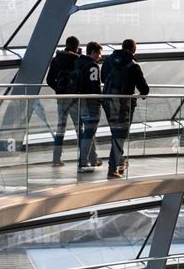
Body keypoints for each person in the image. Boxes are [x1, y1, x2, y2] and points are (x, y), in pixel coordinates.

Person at [101, 38, 149, 179]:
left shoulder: (109, 60)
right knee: (120, 135)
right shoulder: (133, 65)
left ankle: (120, 161)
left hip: (108, 101)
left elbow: (103, 79)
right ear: (134, 50)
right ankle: (113, 167)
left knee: (116, 133)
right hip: (124, 105)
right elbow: (144, 89)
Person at [47, 35, 82, 167]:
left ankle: (56, 159)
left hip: (61, 99)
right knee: (79, 128)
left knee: (60, 128)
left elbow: (49, 80)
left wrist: (59, 90)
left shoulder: (56, 59)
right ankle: (83, 157)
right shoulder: (76, 60)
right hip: (74, 99)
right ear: (76, 46)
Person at [74, 41, 104, 172]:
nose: (100, 57)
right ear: (93, 52)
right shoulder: (93, 66)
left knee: (88, 131)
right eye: (98, 53)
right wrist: (100, 100)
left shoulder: (78, 62)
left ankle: (93, 159)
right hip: (91, 103)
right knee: (89, 132)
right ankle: (83, 162)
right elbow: (95, 85)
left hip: (79, 103)